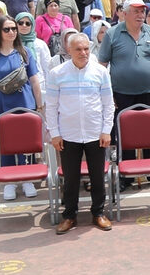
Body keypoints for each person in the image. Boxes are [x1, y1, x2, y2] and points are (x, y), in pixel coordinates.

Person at [96, 0, 150, 191]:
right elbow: (102, 67)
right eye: (136, 11)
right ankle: (125, 174)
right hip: (122, 93)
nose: (141, 15)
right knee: (124, 134)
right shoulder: (112, 34)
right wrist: (106, 94)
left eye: (143, 11)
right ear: (125, 13)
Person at [45, 33, 114, 233]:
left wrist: (106, 130)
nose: (83, 53)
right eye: (78, 49)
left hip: (95, 132)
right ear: (69, 50)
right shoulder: (57, 74)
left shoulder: (101, 72)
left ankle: (98, 213)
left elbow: (108, 104)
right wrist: (55, 134)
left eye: (86, 49)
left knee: (97, 176)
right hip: (68, 134)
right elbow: (51, 106)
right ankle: (70, 216)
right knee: (71, 177)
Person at [0, 14, 42, 194]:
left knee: (26, 142)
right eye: (7, 29)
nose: (12, 32)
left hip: (24, 103)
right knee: (3, 142)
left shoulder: (25, 52)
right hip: (0, 105)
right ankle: (9, 182)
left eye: (14, 28)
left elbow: (34, 80)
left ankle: (27, 179)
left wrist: (40, 106)